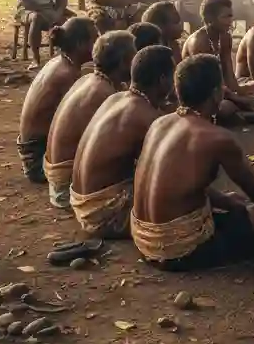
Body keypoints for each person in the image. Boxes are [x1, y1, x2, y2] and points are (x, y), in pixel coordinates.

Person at [131, 54, 254, 271]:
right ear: (217, 93)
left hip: (142, 239)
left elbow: (177, 184)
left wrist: (224, 200)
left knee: (233, 205)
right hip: (181, 250)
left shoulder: (160, 123)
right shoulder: (217, 138)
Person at [70, 45, 175, 238]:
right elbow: (171, 174)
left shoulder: (117, 98)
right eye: (173, 76)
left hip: (83, 205)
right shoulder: (145, 116)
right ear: (162, 80)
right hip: (105, 214)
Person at [45, 30, 136, 210]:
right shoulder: (104, 95)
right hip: (68, 190)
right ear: (125, 61)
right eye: (134, 56)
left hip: (59, 183)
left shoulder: (91, 80)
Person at [16, 18, 97, 184]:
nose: (98, 43)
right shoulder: (67, 75)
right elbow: (78, 123)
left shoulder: (60, 63)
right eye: (95, 39)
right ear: (81, 44)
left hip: (33, 153)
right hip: (38, 162)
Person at [181, 0, 254, 124]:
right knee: (225, 107)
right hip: (200, 92)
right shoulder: (199, 42)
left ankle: (243, 110)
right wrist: (239, 99)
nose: (230, 21)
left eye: (231, 16)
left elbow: (228, 72)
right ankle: (243, 115)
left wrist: (240, 93)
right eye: (226, 17)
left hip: (218, 89)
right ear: (210, 19)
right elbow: (206, 82)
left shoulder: (225, 37)